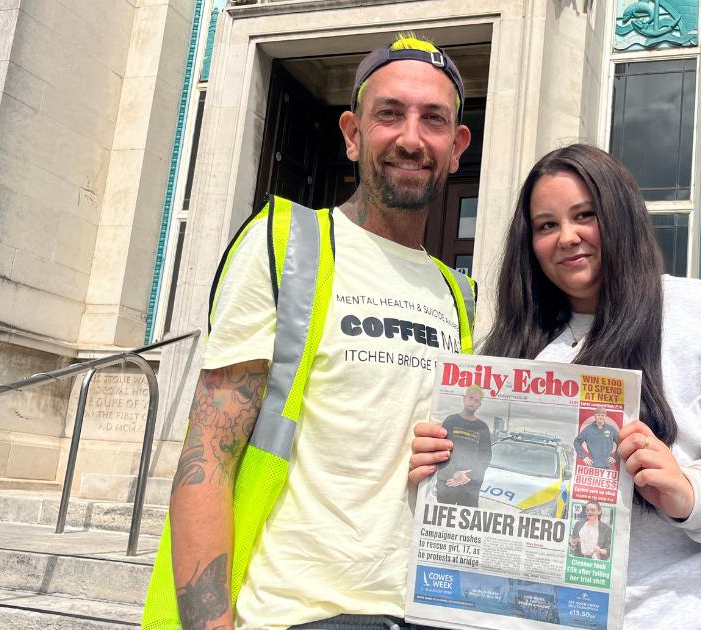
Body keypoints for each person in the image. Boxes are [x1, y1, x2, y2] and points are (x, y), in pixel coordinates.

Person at [410, 144, 701, 630]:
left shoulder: (699, 314)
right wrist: (437, 461)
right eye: (546, 225)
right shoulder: (508, 350)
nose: (568, 237)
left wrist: (693, 494)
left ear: (621, 215)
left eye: (585, 215)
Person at [144, 33, 475, 630]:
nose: (410, 138)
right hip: (293, 613)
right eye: (389, 114)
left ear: (456, 147)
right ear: (352, 134)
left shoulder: (458, 294)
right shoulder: (285, 244)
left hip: (423, 611)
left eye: (433, 119)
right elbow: (207, 456)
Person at [435, 385, 492, 506]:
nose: (472, 402)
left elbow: (485, 457)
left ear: (479, 405)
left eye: (476, 400)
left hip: (470, 485)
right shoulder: (450, 420)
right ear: (464, 398)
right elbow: (441, 448)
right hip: (447, 481)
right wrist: (455, 474)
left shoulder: (482, 427)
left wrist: (468, 475)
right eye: (470, 398)